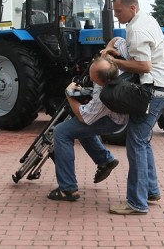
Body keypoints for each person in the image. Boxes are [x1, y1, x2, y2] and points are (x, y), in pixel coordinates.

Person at [101, 0, 164, 215]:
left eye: (119, 11)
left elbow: (144, 67)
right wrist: (116, 49)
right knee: (142, 141)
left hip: (156, 89)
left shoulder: (137, 27)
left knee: (135, 142)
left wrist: (114, 61)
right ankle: (151, 190)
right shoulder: (146, 19)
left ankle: (136, 202)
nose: (116, 16)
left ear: (131, 8)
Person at [47, 57, 128, 201]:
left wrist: (69, 94)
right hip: (118, 116)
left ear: (104, 81)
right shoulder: (117, 70)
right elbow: (118, 42)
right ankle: (105, 160)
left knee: (62, 132)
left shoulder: (103, 97)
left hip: (112, 121)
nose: (91, 79)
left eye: (94, 80)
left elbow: (83, 117)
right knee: (79, 130)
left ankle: (67, 189)